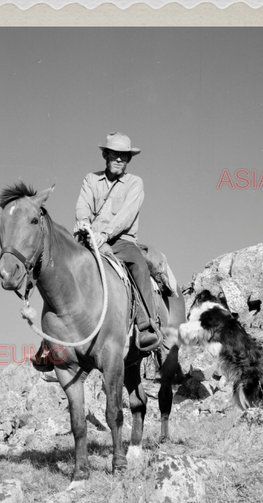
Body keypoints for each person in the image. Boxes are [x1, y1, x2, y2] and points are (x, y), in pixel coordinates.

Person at [74, 132, 161, 351]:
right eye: (115, 154)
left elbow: (126, 215)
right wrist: (83, 223)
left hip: (121, 241)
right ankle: (51, 339)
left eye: (124, 155)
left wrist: (105, 234)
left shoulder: (135, 183)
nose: (120, 159)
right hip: (90, 238)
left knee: (139, 266)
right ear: (106, 155)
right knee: (60, 268)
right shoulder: (90, 179)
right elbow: (83, 206)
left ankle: (145, 325)